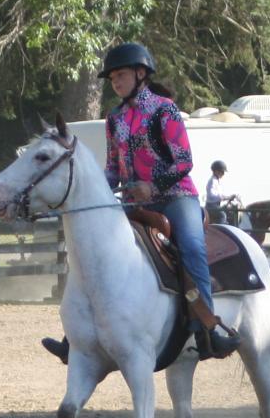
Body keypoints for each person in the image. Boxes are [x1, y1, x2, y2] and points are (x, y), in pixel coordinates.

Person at [40, 42, 240, 364]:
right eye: (112, 78)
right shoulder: (114, 118)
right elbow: (113, 168)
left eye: (120, 75)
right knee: (93, 247)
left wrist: (153, 185)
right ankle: (75, 335)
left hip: (176, 197)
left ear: (141, 73)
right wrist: (96, 193)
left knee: (191, 246)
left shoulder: (164, 109)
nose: (115, 82)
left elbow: (183, 161)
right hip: (133, 202)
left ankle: (208, 327)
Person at [204, 160, 237, 225]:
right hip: (211, 206)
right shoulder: (212, 181)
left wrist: (229, 197)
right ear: (216, 171)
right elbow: (212, 196)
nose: (223, 174)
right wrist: (226, 198)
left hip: (216, 205)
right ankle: (219, 232)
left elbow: (220, 194)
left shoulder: (217, 181)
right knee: (222, 215)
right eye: (222, 172)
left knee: (229, 212)